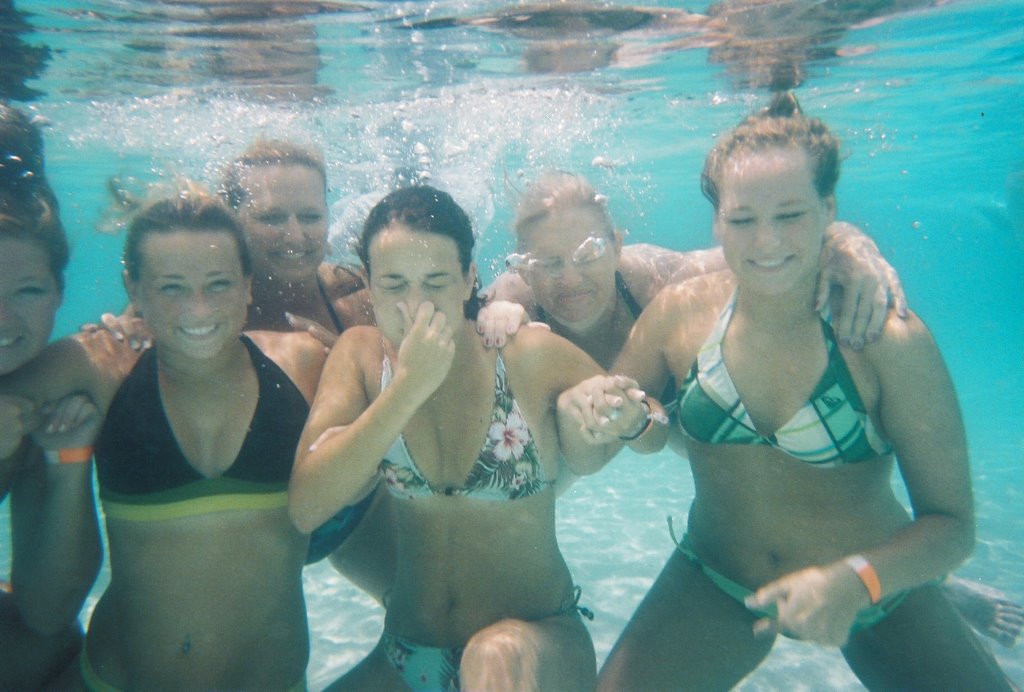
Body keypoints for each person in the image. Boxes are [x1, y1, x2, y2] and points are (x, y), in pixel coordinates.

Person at [571, 92, 1015, 690]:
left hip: (871, 587)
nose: (766, 242)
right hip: (716, 579)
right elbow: (627, 416)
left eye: (790, 215)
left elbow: (953, 525)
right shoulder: (680, 314)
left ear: (828, 209)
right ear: (716, 221)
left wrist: (857, 581)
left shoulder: (885, 338)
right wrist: (601, 409)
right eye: (743, 220)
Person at [289, 185, 660, 690]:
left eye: (435, 282)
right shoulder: (360, 358)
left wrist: (630, 417)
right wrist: (406, 389)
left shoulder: (522, 355)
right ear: (368, 286)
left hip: (532, 647)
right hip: (405, 653)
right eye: (394, 284)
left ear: (467, 280)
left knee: (491, 656)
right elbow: (308, 508)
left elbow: (650, 429)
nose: (415, 306)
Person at [2, 186, 328, 689]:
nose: (198, 310)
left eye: (217, 284)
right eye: (172, 287)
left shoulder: (303, 362)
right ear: (135, 289)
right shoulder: (101, 363)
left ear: (248, 285)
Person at [0, 102, 102, 690]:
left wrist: (67, 462)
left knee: (70, 656)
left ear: (61, 293)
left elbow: (48, 611)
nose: (4, 317)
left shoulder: (43, 386)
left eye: (29, 290)